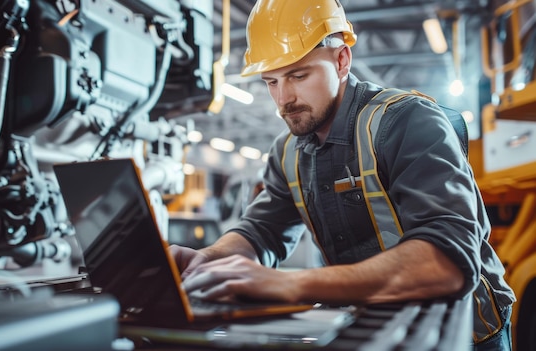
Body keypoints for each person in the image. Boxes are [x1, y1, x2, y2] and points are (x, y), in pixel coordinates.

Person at [170, 0, 515, 350]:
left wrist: (291, 284)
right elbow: (261, 231)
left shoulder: (405, 121)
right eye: (271, 81)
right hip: (374, 325)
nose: (283, 99)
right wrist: (210, 258)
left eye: (298, 75)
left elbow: (447, 260)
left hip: (465, 331)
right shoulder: (287, 151)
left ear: (342, 60)